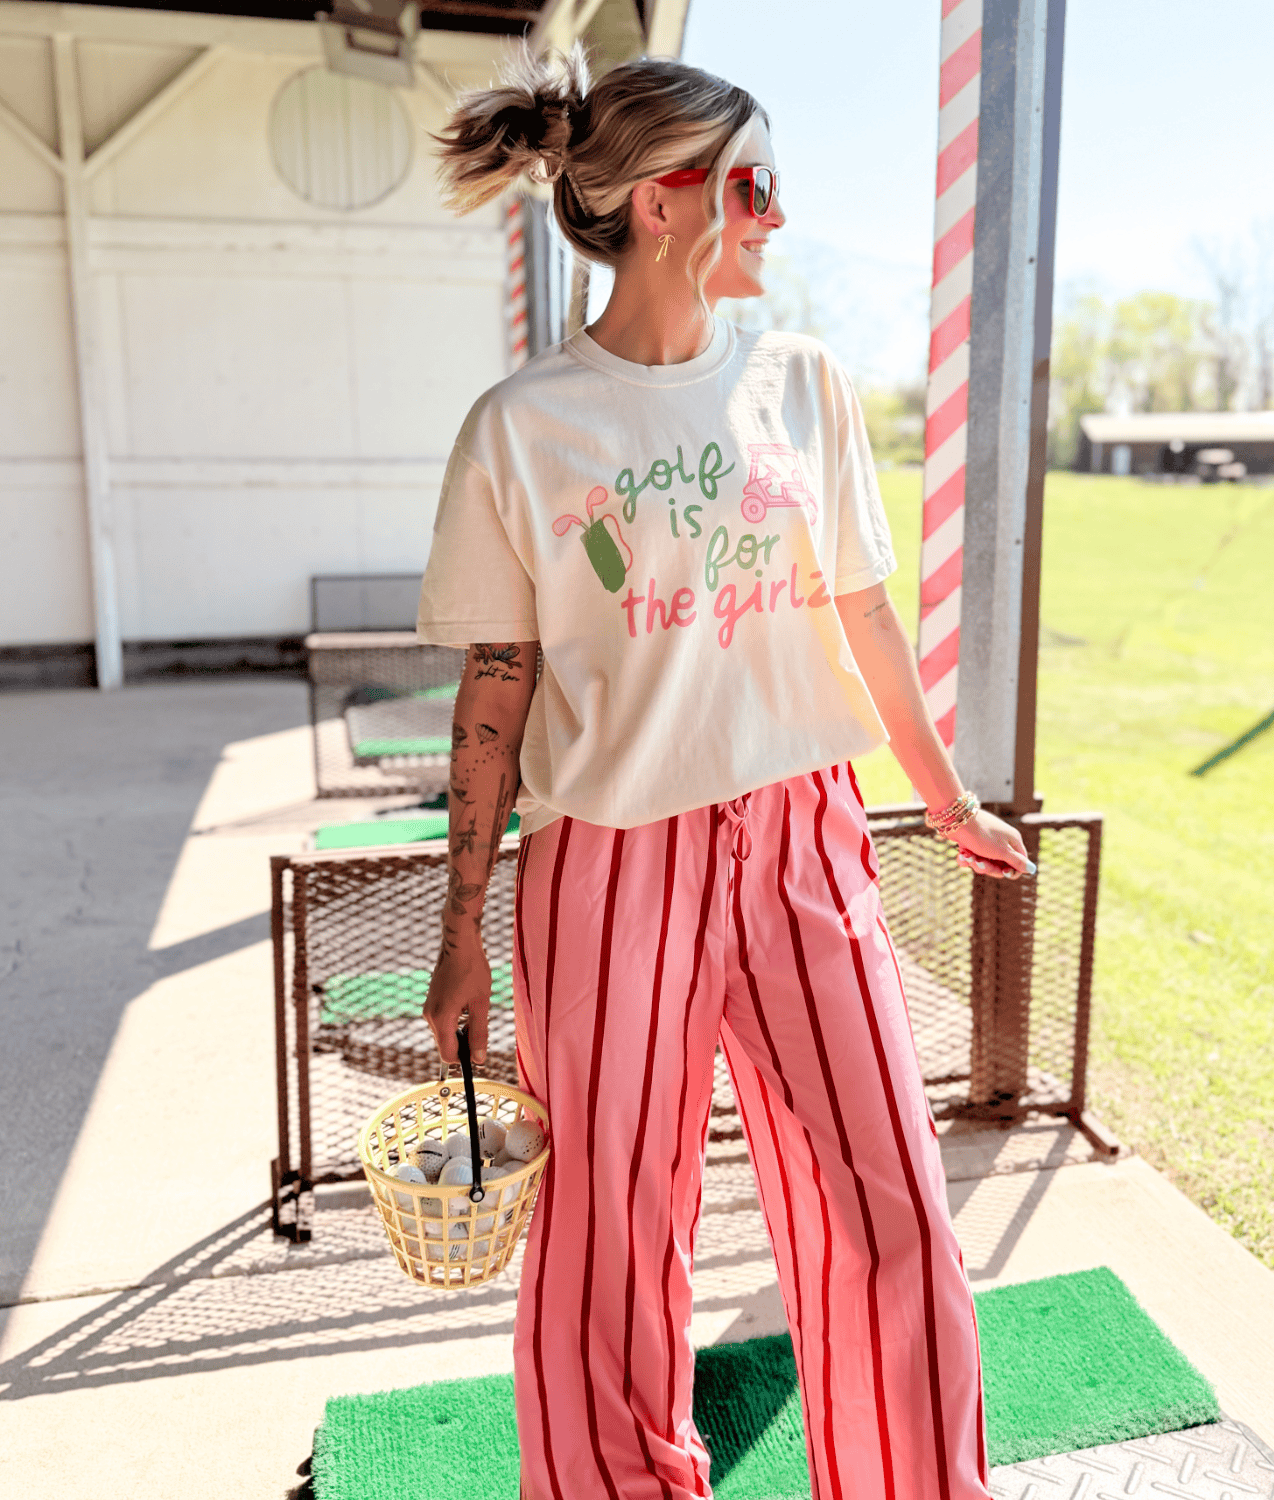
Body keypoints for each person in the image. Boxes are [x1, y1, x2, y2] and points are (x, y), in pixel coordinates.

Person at [418, 45, 1030, 1500]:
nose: (773, 216)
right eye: (752, 186)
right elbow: (494, 690)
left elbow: (864, 612)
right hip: (611, 868)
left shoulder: (806, 383)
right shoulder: (522, 427)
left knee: (889, 1208)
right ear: (660, 204)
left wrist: (942, 801)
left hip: (805, 842)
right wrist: (457, 933)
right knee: (608, 1237)